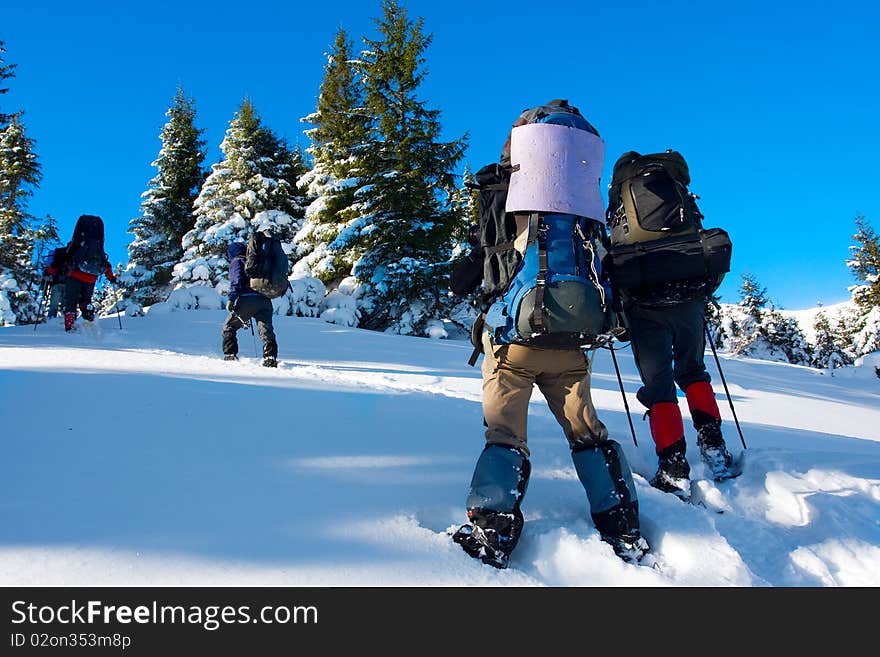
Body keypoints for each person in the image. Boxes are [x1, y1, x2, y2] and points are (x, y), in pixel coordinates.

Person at [450, 100, 649, 568]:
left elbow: (484, 262)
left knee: (505, 433)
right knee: (586, 431)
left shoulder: (508, 191)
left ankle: (493, 529)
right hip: (572, 337)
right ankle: (622, 522)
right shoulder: (584, 207)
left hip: (514, 338)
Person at [608, 152, 738, 499]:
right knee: (694, 371)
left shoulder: (621, 203)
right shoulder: (678, 197)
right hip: (688, 296)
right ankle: (714, 446)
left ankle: (673, 466)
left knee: (659, 384)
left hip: (643, 302)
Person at [222, 241, 278, 367]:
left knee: (229, 326)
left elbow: (237, 282)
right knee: (266, 330)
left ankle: (230, 354)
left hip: (247, 300)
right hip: (265, 299)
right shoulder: (259, 261)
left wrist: (231, 299)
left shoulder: (237, 261)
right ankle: (270, 357)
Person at [61, 215, 117, 332]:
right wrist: (111, 277)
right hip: (91, 277)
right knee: (86, 300)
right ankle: (88, 316)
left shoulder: (77, 244)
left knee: (71, 300)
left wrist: (52, 271)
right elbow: (106, 264)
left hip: (75, 274)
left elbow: (65, 257)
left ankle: (70, 325)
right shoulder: (97, 247)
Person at [42, 246, 68, 319]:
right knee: (66, 304)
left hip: (56, 283)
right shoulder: (71, 257)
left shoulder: (57, 259)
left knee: (53, 305)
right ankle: (66, 321)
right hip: (68, 283)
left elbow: (50, 270)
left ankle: (51, 319)